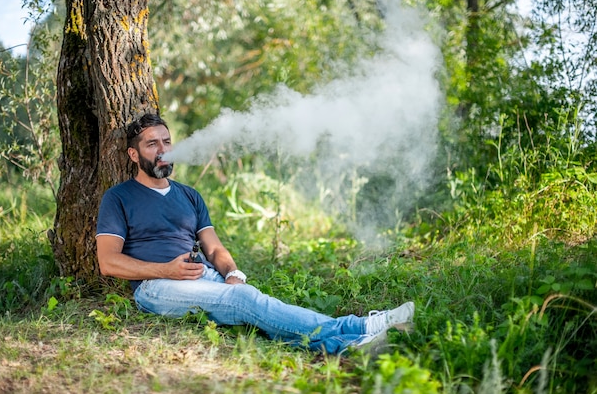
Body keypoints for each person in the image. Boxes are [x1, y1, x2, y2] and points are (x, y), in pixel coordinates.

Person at [96, 113, 414, 356]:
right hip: (156, 287)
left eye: (167, 142)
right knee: (245, 300)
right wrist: (165, 270)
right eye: (152, 144)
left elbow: (215, 248)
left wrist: (232, 271)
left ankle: (344, 346)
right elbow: (108, 262)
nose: (163, 150)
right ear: (134, 155)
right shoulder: (119, 197)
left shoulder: (189, 195)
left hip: (202, 278)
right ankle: (360, 326)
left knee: (254, 305)